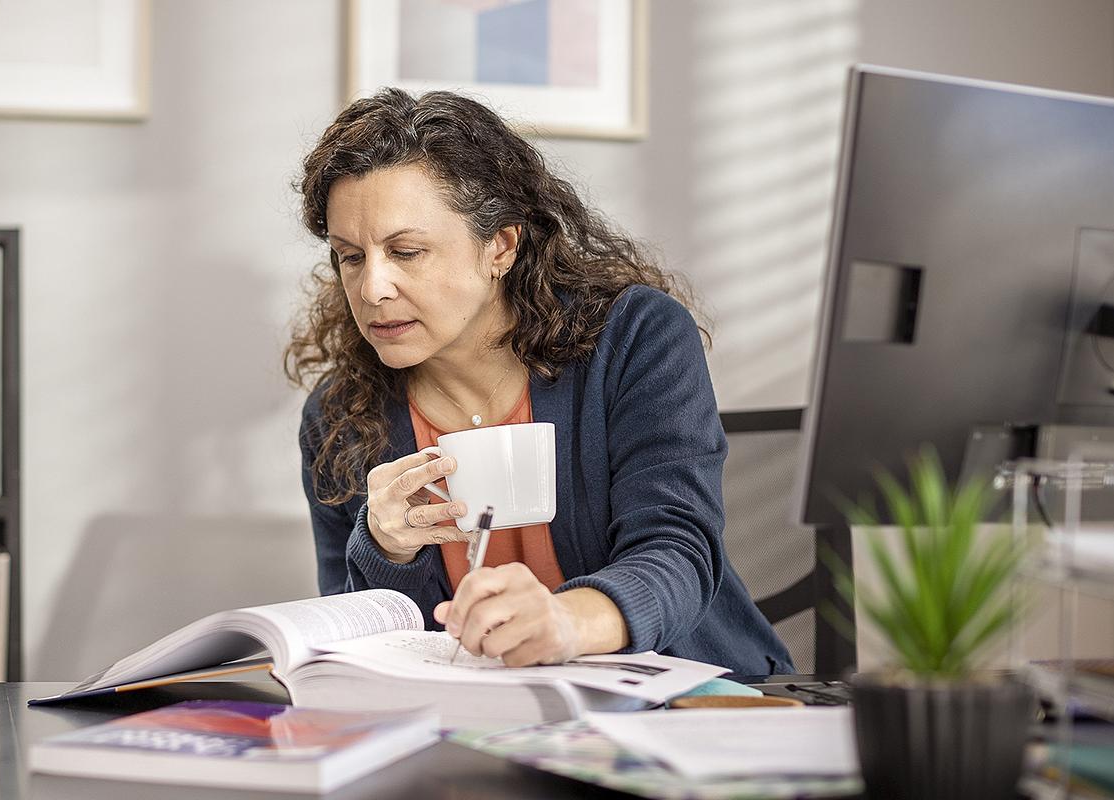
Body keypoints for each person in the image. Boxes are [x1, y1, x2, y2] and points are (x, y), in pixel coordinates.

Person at [286, 88, 792, 675]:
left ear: (499, 246)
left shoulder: (636, 339)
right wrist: (385, 552)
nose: (372, 289)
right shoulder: (339, 417)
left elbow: (677, 551)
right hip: (480, 728)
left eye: (406, 251)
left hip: (687, 708)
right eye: (350, 257)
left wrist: (567, 622)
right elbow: (362, 645)